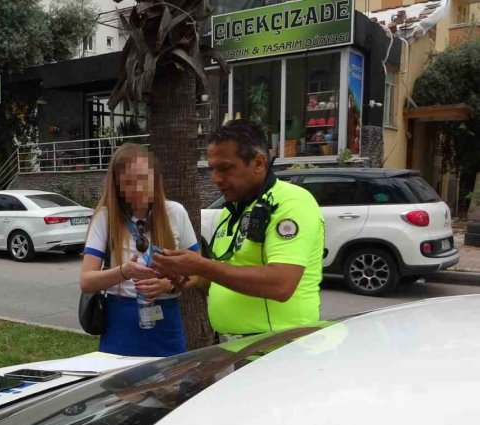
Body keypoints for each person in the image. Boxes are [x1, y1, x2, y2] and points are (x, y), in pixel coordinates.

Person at [151, 120, 324, 341]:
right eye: (212, 169)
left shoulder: (291, 202)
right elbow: (228, 279)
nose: (215, 179)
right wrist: (196, 277)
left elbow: (281, 284)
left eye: (225, 168)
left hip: (278, 347)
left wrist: (201, 265)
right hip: (236, 346)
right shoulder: (233, 210)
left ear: (258, 163)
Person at [79, 143, 200, 357]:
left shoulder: (176, 212)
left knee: (169, 378)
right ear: (117, 186)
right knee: (121, 380)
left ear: (155, 177)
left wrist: (168, 285)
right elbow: (87, 281)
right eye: (129, 183)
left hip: (167, 326)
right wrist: (124, 272)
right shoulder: (105, 218)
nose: (138, 188)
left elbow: (198, 271)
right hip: (120, 328)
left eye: (144, 178)